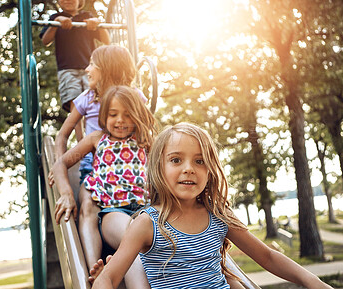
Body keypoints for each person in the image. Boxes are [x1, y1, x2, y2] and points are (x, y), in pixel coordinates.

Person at [91, 123, 334, 289]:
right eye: (176, 160)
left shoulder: (218, 215)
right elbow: (109, 278)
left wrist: (314, 282)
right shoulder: (148, 223)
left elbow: (268, 257)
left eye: (200, 161)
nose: (189, 168)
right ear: (158, 168)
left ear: (209, 171)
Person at [53, 85, 156, 288]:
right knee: (133, 237)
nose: (120, 120)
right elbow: (61, 164)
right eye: (113, 114)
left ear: (137, 115)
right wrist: (66, 192)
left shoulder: (145, 141)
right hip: (113, 213)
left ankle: (111, 271)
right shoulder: (97, 139)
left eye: (127, 115)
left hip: (145, 211)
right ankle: (99, 272)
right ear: (103, 116)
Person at [40, 0, 110, 113]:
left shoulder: (87, 16)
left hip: (90, 68)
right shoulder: (55, 17)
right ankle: (79, 131)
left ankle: (95, 128)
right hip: (67, 68)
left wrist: (98, 23)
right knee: (75, 101)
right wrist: (57, 23)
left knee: (95, 99)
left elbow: (106, 40)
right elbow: (45, 40)